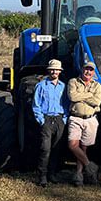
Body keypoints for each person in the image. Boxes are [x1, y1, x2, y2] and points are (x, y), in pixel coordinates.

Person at [32, 59, 68, 187]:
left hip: (59, 119)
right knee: (45, 148)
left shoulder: (63, 86)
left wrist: (64, 119)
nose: (54, 72)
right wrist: (41, 120)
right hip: (47, 119)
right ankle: (42, 175)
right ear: (49, 70)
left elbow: (66, 104)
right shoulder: (41, 86)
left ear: (59, 71)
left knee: (56, 148)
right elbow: (36, 105)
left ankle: (52, 174)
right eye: (52, 69)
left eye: (57, 70)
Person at [67, 61, 101, 187]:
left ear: (94, 72)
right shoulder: (73, 82)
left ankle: (79, 174)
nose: (88, 72)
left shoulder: (97, 85)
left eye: (91, 70)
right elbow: (72, 96)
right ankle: (90, 166)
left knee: (83, 147)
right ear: (82, 69)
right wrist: (89, 97)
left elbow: (97, 101)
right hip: (76, 118)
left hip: (90, 119)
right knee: (72, 145)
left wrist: (81, 96)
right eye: (86, 69)